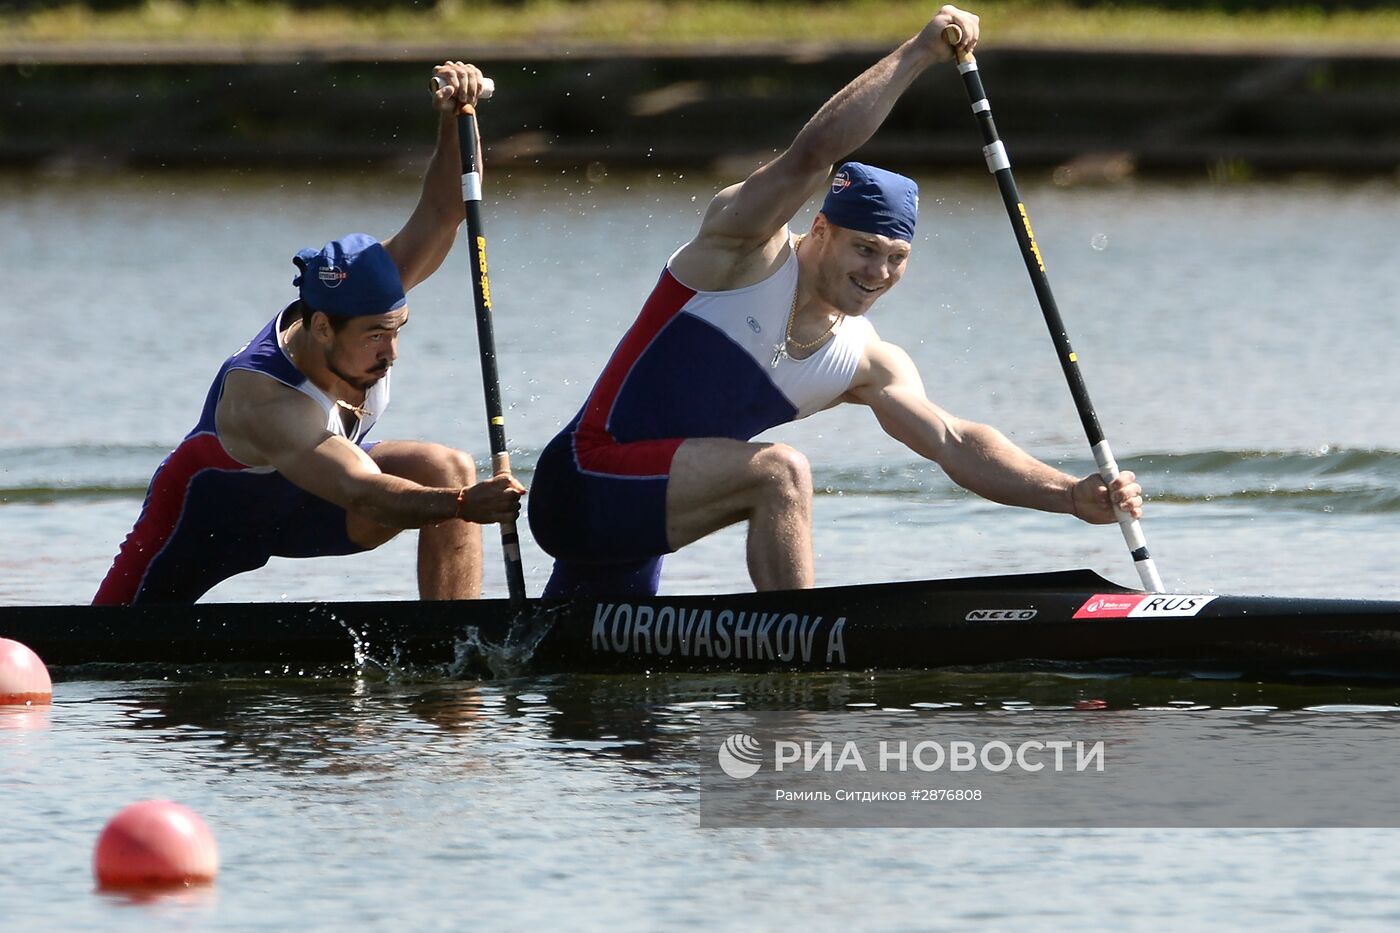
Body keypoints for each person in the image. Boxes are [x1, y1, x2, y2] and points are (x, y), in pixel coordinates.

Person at [527, 6, 1145, 598]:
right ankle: (799, 664)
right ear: (819, 230)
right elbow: (811, 156)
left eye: (896, 258)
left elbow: (954, 442)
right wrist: (918, 53)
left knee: (567, 669)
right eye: (865, 249)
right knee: (781, 471)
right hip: (582, 481)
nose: (878, 273)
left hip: (639, 527)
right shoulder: (741, 254)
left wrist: (1069, 494)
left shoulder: (864, 359)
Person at [95, 62, 526, 606]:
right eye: (375, 337)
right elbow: (361, 491)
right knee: (109, 652)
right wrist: (464, 505)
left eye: (398, 331)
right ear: (321, 327)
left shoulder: (367, 295)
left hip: (306, 511)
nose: (390, 353)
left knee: (447, 467)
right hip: (201, 527)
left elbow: (445, 210)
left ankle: (459, 641)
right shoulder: (263, 394)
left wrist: (454, 118)